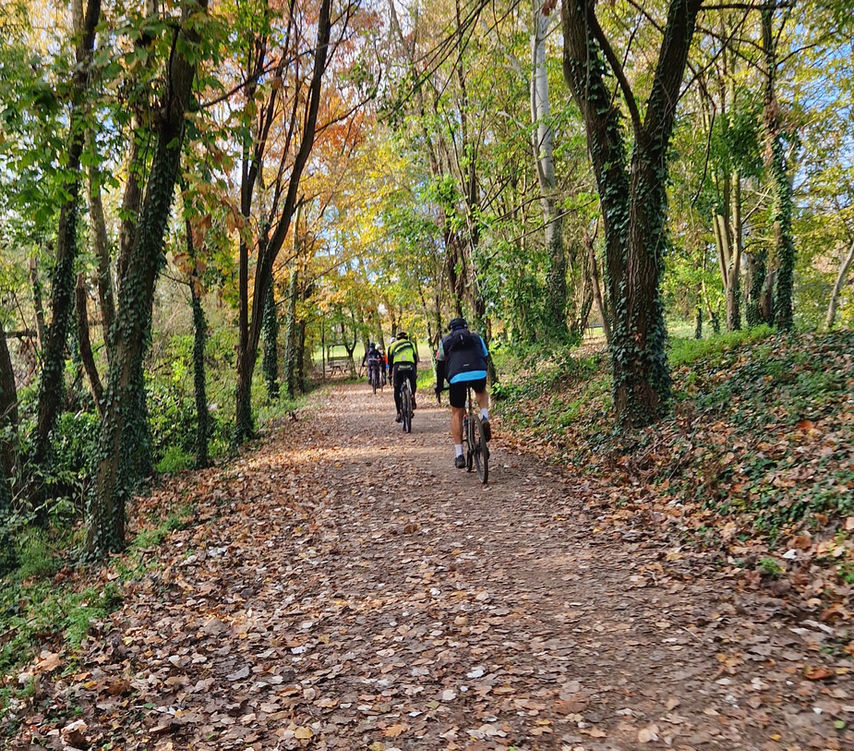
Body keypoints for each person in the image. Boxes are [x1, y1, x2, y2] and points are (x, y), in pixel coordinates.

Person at [434, 317, 491, 468]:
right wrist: (482, 373)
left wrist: (440, 386)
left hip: (457, 376)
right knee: (481, 391)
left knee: (457, 413)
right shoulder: (477, 338)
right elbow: (485, 357)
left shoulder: (445, 341)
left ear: (451, 329)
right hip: (478, 371)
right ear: (466, 327)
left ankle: (459, 455)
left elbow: (440, 365)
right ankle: (484, 416)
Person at [387, 331, 418, 422]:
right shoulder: (411, 344)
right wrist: (415, 371)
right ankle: (412, 395)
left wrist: (390, 373)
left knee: (397, 389)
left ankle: (398, 413)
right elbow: (415, 358)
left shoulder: (392, 345)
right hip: (410, 366)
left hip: (398, 367)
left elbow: (390, 361)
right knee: (413, 383)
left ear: (397, 338)